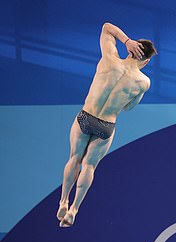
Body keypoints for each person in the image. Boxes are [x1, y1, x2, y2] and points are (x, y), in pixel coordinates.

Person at [57, 22, 157, 227]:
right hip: (106, 125)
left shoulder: (109, 60)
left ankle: (63, 201)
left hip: (86, 116)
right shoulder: (144, 82)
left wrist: (126, 41)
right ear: (146, 60)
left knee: (74, 158)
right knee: (89, 166)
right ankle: (74, 209)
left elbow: (106, 27)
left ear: (131, 50)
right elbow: (129, 107)